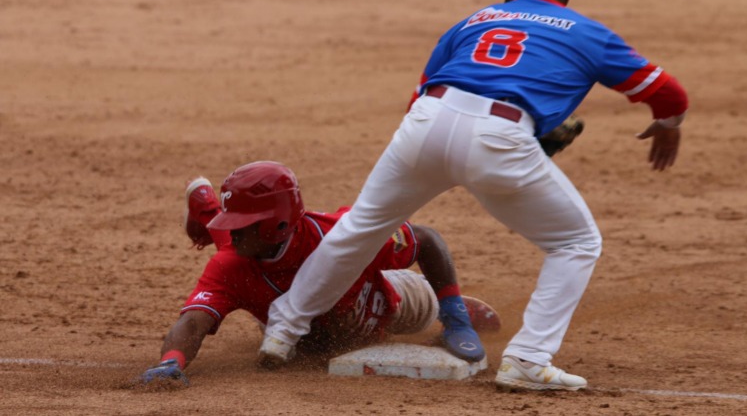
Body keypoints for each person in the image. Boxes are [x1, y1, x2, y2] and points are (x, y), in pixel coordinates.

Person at [259, 0, 689, 392]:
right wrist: (667, 124)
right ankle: (528, 359)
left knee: (362, 226)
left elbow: (418, 96)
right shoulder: (588, 32)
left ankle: (283, 330)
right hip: (500, 137)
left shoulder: (472, 22)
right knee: (576, 242)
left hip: (425, 122)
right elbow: (670, 95)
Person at [139, 161, 499, 386]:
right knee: (234, 259)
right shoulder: (233, 261)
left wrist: (453, 314)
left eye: (242, 223)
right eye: (229, 221)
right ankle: (208, 209)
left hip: (388, 301)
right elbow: (192, 323)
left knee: (424, 309)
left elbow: (427, 239)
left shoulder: (344, 233)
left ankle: (206, 208)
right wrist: (171, 363)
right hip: (288, 325)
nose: (233, 230)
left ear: (278, 222)